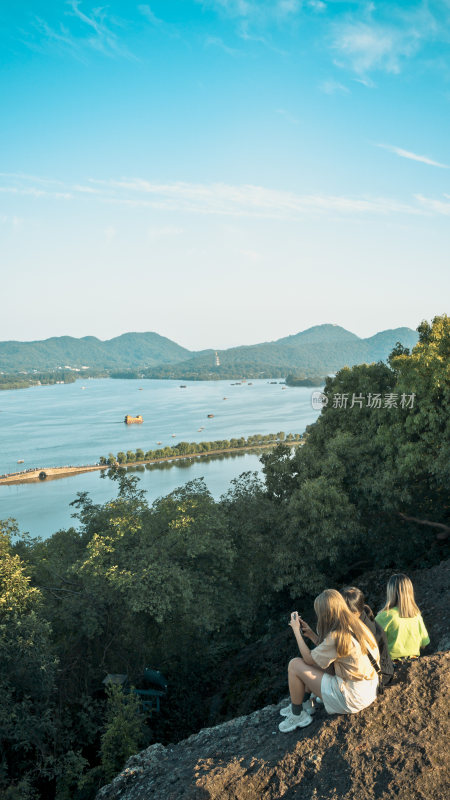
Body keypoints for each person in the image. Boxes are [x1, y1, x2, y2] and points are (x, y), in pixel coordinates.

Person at [279, 589, 380, 733]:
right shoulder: (356, 625)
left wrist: (296, 631)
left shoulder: (337, 636)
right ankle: (304, 704)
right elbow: (329, 654)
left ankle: (297, 715)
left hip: (352, 697)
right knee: (313, 668)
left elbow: (309, 659)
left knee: (295, 665)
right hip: (369, 688)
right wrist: (312, 635)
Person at [341, 586, 394, 686]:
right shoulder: (363, 618)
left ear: (354, 612)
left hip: (379, 675)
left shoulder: (364, 628)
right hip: (382, 671)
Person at [375, 574, 430, 661]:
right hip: (414, 663)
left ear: (390, 592)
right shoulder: (417, 616)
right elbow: (424, 643)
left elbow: (371, 643)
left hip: (391, 666)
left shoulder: (384, 616)